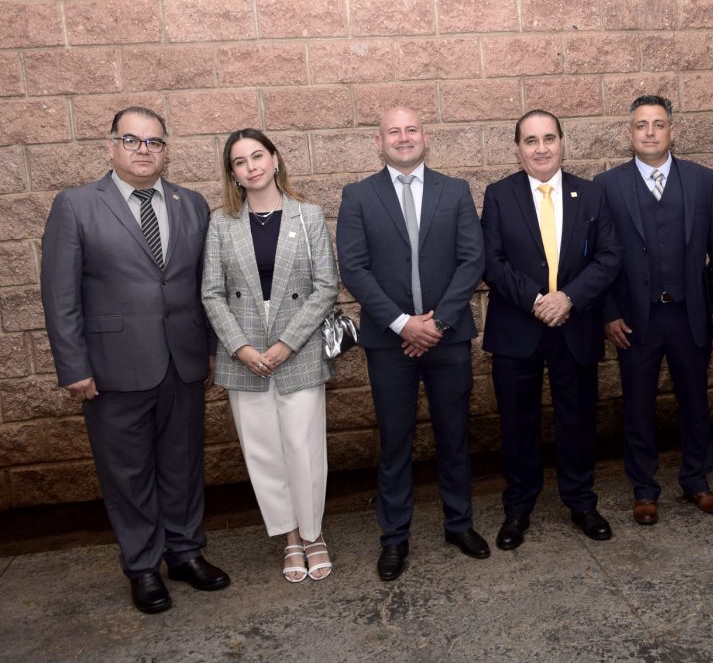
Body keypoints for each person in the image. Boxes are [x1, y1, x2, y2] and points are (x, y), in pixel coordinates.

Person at [40, 106, 229, 614]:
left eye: (154, 142)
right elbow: (59, 294)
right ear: (111, 146)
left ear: (166, 150)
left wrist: (211, 350)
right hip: (111, 367)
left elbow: (205, 287)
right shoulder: (76, 205)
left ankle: (185, 553)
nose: (143, 150)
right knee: (127, 473)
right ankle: (143, 566)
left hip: (183, 362)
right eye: (132, 140)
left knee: (183, 463)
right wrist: (73, 365)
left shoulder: (191, 204)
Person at [337, 107, 488, 581]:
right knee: (395, 440)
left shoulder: (455, 190)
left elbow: (472, 260)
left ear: (425, 137)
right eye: (393, 132)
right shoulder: (358, 196)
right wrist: (403, 324)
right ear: (378, 142)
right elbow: (354, 267)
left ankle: (459, 524)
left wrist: (435, 324)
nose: (403, 138)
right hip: (389, 343)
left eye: (411, 130)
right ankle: (394, 537)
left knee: (454, 435)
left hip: (448, 338)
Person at [201, 129, 339, 582]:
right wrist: (241, 347)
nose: (252, 167)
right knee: (263, 452)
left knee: (304, 448)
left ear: (275, 159)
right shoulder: (222, 222)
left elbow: (325, 287)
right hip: (244, 353)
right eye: (240, 162)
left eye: (258, 156)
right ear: (233, 175)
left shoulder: (308, 215)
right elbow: (212, 292)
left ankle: (314, 534)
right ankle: (290, 537)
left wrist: (286, 344)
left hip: (296, 349)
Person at [481, 109, 622, 549]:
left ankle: (581, 502)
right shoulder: (499, 195)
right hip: (517, 328)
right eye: (530, 140)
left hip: (575, 326)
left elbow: (609, 257)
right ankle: (517, 509)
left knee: (577, 420)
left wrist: (570, 298)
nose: (541, 149)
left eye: (548, 139)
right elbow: (491, 261)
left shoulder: (592, 194)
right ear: (517, 149)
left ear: (562, 142)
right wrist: (538, 300)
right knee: (517, 424)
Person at [595, 95, 713, 525]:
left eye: (658, 124)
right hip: (635, 319)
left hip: (690, 312)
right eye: (641, 125)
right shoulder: (607, 186)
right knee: (638, 405)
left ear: (672, 131)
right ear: (630, 133)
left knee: (695, 400)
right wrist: (609, 312)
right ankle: (644, 488)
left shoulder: (703, 181)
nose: (650, 132)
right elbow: (600, 257)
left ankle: (697, 480)